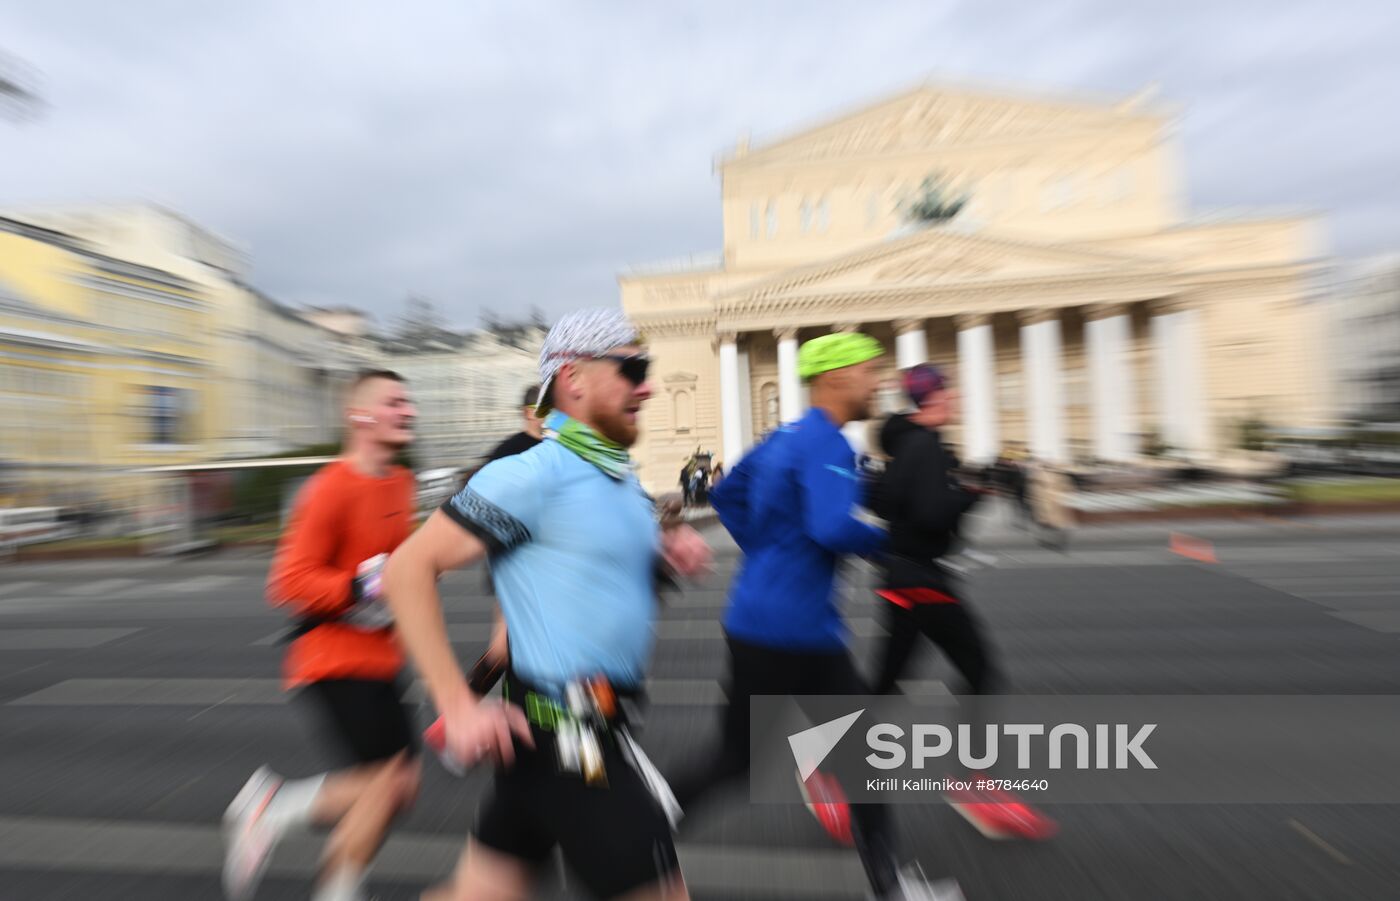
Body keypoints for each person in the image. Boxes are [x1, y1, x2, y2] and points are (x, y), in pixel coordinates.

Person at [382, 308, 711, 901]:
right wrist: (456, 705)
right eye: (632, 368)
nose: (649, 385)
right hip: (575, 744)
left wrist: (664, 552)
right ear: (573, 378)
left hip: (556, 736)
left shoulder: (616, 477)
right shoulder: (532, 474)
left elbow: (584, 568)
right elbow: (408, 568)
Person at [668, 332, 950, 900]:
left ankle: (639, 828)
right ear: (837, 376)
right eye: (870, 372)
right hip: (801, 632)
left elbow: (725, 497)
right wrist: (889, 544)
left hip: (758, 618)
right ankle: (892, 888)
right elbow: (828, 526)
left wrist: (771, 554)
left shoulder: (783, 437)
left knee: (737, 758)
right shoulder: (828, 442)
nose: (878, 382)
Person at [222, 370, 422, 901]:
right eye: (395, 402)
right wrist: (356, 585)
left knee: (396, 789)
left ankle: (332, 881)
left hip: (380, 657)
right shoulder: (330, 488)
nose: (409, 411)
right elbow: (286, 581)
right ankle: (274, 810)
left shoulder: (401, 482)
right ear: (360, 416)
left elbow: (398, 568)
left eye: (409, 402)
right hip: (332, 659)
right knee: (387, 782)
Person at [870, 365, 1057, 843]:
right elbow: (933, 514)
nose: (956, 397)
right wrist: (969, 495)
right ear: (933, 397)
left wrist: (957, 493)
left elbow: (888, 501)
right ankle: (973, 783)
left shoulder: (903, 445)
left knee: (887, 685)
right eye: (950, 389)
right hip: (923, 579)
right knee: (979, 670)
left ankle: (824, 765)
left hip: (900, 576)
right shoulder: (927, 447)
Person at [1029, 459, 1075, 552]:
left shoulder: (1057, 476)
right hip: (1049, 505)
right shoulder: (1038, 477)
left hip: (1056, 504)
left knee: (1058, 525)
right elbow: (1035, 493)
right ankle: (1053, 542)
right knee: (1052, 526)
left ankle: (1056, 543)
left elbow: (1068, 488)